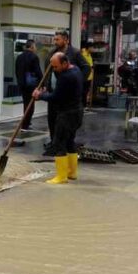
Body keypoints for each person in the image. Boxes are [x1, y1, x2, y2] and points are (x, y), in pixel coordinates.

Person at [33, 51, 84, 184]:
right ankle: (71, 173)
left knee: (59, 143)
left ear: (65, 63)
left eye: (56, 67)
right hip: (77, 111)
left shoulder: (66, 77)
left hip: (67, 114)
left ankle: (61, 177)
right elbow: (60, 93)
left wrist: (40, 95)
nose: (54, 69)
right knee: (70, 142)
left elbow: (56, 98)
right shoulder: (76, 70)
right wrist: (46, 92)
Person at [44, 30, 89, 153]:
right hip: (54, 92)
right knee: (52, 119)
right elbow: (47, 71)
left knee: (65, 124)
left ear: (66, 40)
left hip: (67, 96)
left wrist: (78, 82)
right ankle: (54, 143)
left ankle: (62, 146)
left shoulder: (74, 53)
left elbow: (86, 67)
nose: (56, 42)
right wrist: (44, 86)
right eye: (55, 39)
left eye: (58, 39)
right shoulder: (52, 53)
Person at [15, 39, 43, 130]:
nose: (35, 48)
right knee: (30, 105)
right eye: (35, 47)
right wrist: (42, 83)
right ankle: (26, 123)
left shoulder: (19, 57)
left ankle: (26, 122)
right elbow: (38, 71)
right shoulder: (34, 57)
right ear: (31, 47)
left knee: (26, 103)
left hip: (22, 84)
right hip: (31, 85)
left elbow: (17, 71)